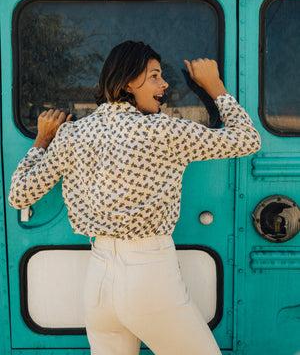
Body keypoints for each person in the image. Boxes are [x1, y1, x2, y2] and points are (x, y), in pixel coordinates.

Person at [9, 41, 261, 355]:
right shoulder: (163, 130)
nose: (164, 84)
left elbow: (19, 195)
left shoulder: (71, 135)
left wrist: (41, 140)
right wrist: (216, 87)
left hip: (98, 282)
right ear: (128, 82)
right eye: (155, 75)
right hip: (150, 277)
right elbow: (247, 139)